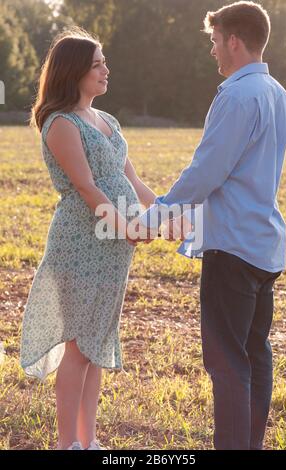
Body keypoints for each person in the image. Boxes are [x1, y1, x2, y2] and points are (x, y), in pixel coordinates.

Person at [137, 1, 286, 450]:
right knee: (255, 355)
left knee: (227, 362)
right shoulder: (280, 97)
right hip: (264, 244)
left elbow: (206, 173)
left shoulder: (237, 95)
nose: (212, 51)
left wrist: (155, 218)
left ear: (233, 40)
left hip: (232, 246)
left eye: (214, 40)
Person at [20, 27, 156, 450]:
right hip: (80, 245)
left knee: (96, 344)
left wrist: (168, 213)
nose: (106, 70)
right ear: (74, 71)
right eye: (97, 64)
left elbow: (133, 181)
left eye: (103, 62)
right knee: (79, 345)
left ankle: (88, 440)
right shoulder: (60, 124)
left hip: (114, 247)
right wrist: (130, 227)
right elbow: (87, 189)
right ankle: (67, 445)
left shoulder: (108, 121)